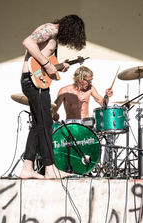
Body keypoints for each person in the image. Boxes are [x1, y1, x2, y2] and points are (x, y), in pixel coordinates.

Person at [19, 15, 86, 179]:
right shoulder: (49, 28)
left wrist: (57, 66)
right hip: (32, 81)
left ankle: (27, 167)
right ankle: (50, 168)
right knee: (46, 123)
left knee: (38, 124)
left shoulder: (54, 37)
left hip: (37, 82)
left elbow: (45, 61)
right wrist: (48, 65)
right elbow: (28, 42)